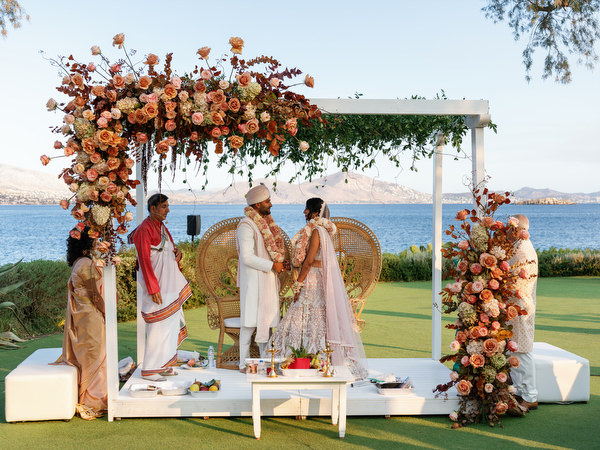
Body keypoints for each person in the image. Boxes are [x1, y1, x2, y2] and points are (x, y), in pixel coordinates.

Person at [267, 198, 368, 379]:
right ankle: (311, 358)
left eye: (306, 208)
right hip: (317, 277)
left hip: (312, 279)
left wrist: (298, 285)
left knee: (302, 311)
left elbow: (308, 262)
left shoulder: (316, 232)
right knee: (314, 315)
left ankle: (297, 357)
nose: (304, 212)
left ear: (314, 211)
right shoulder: (324, 231)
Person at [130, 193, 191, 381]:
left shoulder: (162, 227)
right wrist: (152, 288)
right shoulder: (143, 230)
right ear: (153, 208)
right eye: (164, 206)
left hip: (168, 285)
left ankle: (164, 364)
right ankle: (150, 368)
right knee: (157, 327)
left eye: (167, 206)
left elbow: (168, 251)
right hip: (158, 287)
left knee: (169, 325)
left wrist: (177, 254)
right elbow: (144, 260)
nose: (168, 210)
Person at [56, 227, 107, 420]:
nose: (97, 241)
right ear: (87, 243)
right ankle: (93, 401)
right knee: (96, 355)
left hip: (83, 316)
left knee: (91, 355)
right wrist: (106, 312)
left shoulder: (78, 261)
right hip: (90, 315)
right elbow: (94, 295)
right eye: (94, 239)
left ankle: (93, 396)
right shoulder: (85, 263)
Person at [236, 183, 287, 372]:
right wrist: (272, 265)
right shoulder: (246, 225)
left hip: (267, 280)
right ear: (257, 205)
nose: (270, 204)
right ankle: (243, 365)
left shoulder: (265, 224)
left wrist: (279, 263)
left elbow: (270, 253)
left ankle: (267, 363)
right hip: (254, 283)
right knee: (248, 326)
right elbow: (246, 257)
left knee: (269, 324)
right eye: (267, 201)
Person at [508, 214, 539, 411]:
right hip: (516, 306)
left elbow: (515, 279)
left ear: (519, 229)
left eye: (510, 227)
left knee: (523, 351)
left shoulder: (523, 249)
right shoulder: (518, 246)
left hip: (520, 306)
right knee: (515, 349)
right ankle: (520, 391)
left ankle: (530, 395)